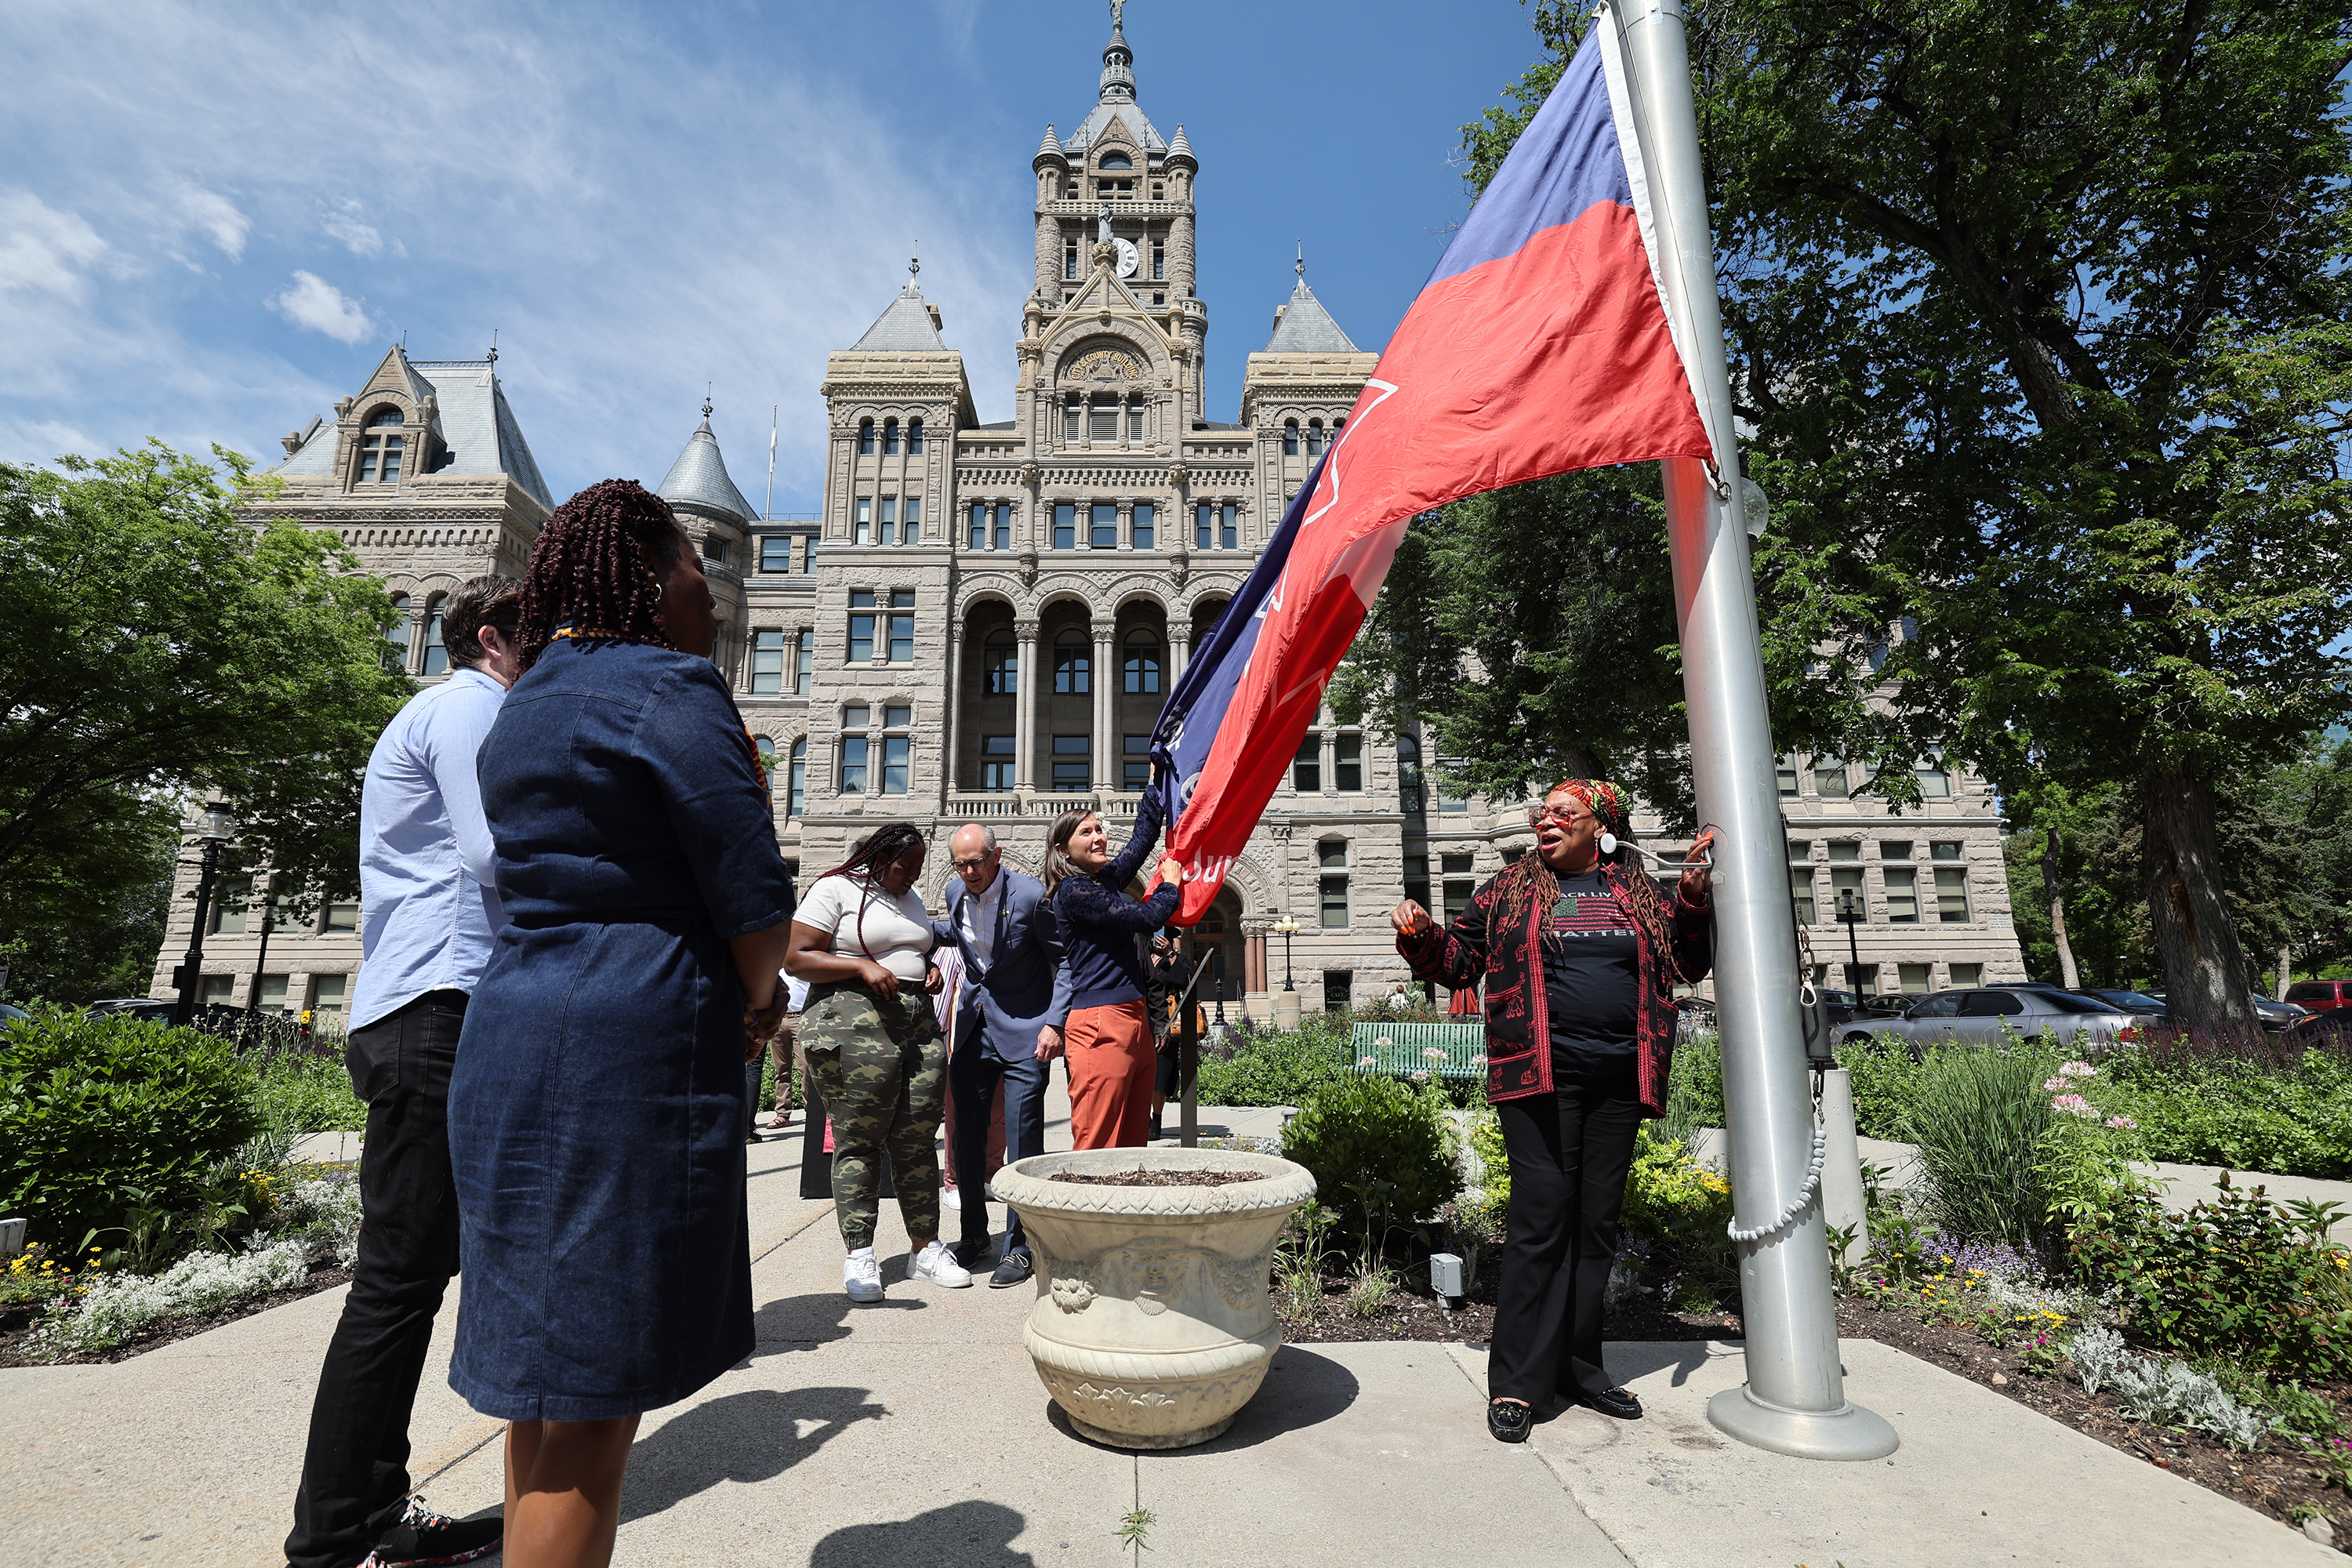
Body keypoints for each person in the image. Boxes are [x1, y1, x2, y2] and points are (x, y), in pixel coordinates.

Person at [446, 480, 796, 1568]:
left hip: (511, 1033)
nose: (710, 590)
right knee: (594, 1404)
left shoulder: (529, 699)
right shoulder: (675, 687)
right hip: (627, 1050)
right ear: (649, 570)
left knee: (542, 1388)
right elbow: (753, 897)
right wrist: (759, 999)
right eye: (696, 563)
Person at [285, 575, 521, 1568]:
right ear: (497, 634)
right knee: (395, 1281)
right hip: (436, 1005)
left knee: (414, 1275)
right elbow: (492, 852)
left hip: (424, 1003)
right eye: (546, 627)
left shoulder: (454, 708)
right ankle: (334, 1539)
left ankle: (375, 1508)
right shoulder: (472, 706)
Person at [1391, 780, 1714, 1446]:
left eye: (1568, 812)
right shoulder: (1507, 889)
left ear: (1603, 827)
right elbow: (1459, 964)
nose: (1549, 818)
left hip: (1624, 1075)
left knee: (1595, 1227)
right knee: (1541, 1222)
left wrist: (1690, 897)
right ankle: (1517, 1381)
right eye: (1546, 811)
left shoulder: (1638, 890)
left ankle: (1578, 1368)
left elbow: (1689, 963)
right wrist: (1422, 938)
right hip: (1539, 1075)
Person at [786, 824, 971, 1302]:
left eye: (918, 866)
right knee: (860, 1141)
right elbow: (796, 956)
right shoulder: (836, 888)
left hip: (916, 1025)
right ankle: (860, 1252)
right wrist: (860, 966)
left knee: (916, 1138)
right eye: (903, 866)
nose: (912, 874)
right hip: (852, 1023)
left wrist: (925, 968)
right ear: (877, 856)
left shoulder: (907, 899)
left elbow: (911, 949)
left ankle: (925, 1248)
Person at [930, 822, 1070, 1285]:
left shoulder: (1030, 897)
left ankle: (1021, 1246)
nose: (968, 872)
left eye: (976, 862)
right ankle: (974, 1237)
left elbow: (1064, 960)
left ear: (997, 855)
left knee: (1022, 1138)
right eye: (960, 864)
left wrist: (1054, 1022)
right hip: (973, 1029)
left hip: (1027, 1033)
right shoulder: (953, 891)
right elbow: (956, 934)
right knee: (966, 1140)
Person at [1042, 798, 1185, 1149]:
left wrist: (1157, 782)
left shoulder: (1101, 880)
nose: (1099, 837)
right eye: (1086, 832)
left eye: (1100, 830)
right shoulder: (1075, 891)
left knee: (1132, 1145)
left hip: (1133, 1018)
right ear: (1062, 850)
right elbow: (1146, 919)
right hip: (1100, 1024)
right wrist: (1169, 886)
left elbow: (1142, 839)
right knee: (1097, 1146)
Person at [1142, 932, 1191, 1141]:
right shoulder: (1140, 955)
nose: (1157, 939)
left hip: (1165, 1020)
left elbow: (1185, 982)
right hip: (1140, 1018)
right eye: (1154, 935)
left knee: (1160, 1073)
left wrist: (1170, 953)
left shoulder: (1177, 959)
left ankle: (1156, 1119)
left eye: (1162, 936)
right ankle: (1141, 1118)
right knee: (1138, 1072)